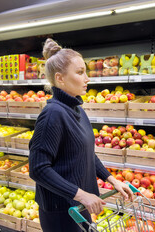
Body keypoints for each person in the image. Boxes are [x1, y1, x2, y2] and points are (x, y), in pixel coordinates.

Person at [29, 38, 133, 232]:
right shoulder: (52, 114)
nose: (87, 78)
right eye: (80, 72)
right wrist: (81, 195)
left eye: (85, 71)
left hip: (78, 205)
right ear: (60, 78)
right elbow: (38, 168)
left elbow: (86, 154)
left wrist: (112, 180)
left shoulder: (77, 110)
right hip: (60, 212)